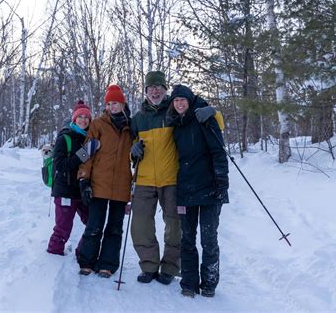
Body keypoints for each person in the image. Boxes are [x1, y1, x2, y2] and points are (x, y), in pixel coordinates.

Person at [129, 71, 222, 285]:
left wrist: (212, 110)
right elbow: (128, 148)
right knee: (141, 225)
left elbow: (210, 121)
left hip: (172, 179)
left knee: (175, 225)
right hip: (144, 180)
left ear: (165, 89)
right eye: (151, 88)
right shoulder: (137, 119)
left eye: (159, 87)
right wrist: (132, 151)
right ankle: (149, 265)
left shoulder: (174, 111)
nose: (155, 91)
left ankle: (170, 267)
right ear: (145, 91)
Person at [166, 84, 229, 298]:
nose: (179, 103)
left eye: (183, 99)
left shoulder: (203, 118)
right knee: (187, 238)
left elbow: (219, 152)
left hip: (210, 188)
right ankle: (189, 282)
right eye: (176, 101)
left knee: (208, 238)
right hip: (185, 188)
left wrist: (222, 182)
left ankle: (209, 282)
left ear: (190, 100)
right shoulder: (175, 123)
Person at [77, 84, 133, 278]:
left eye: (115, 103)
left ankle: (107, 264)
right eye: (108, 103)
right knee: (94, 226)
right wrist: (83, 179)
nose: (112, 107)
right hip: (98, 185)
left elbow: (137, 157)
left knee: (115, 228)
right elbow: (85, 155)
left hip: (121, 185)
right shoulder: (98, 124)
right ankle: (87, 262)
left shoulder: (130, 127)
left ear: (122, 103)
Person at [47, 100, 100, 256]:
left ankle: (82, 252)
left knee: (93, 223)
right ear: (74, 119)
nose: (83, 120)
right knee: (63, 229)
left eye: (86, 117)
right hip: (65, 191)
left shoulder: (90, 137)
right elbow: (61, 165)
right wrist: (85, 153)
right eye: (80, 117)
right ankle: (53, 256)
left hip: (82, 190)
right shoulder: (65, 138)